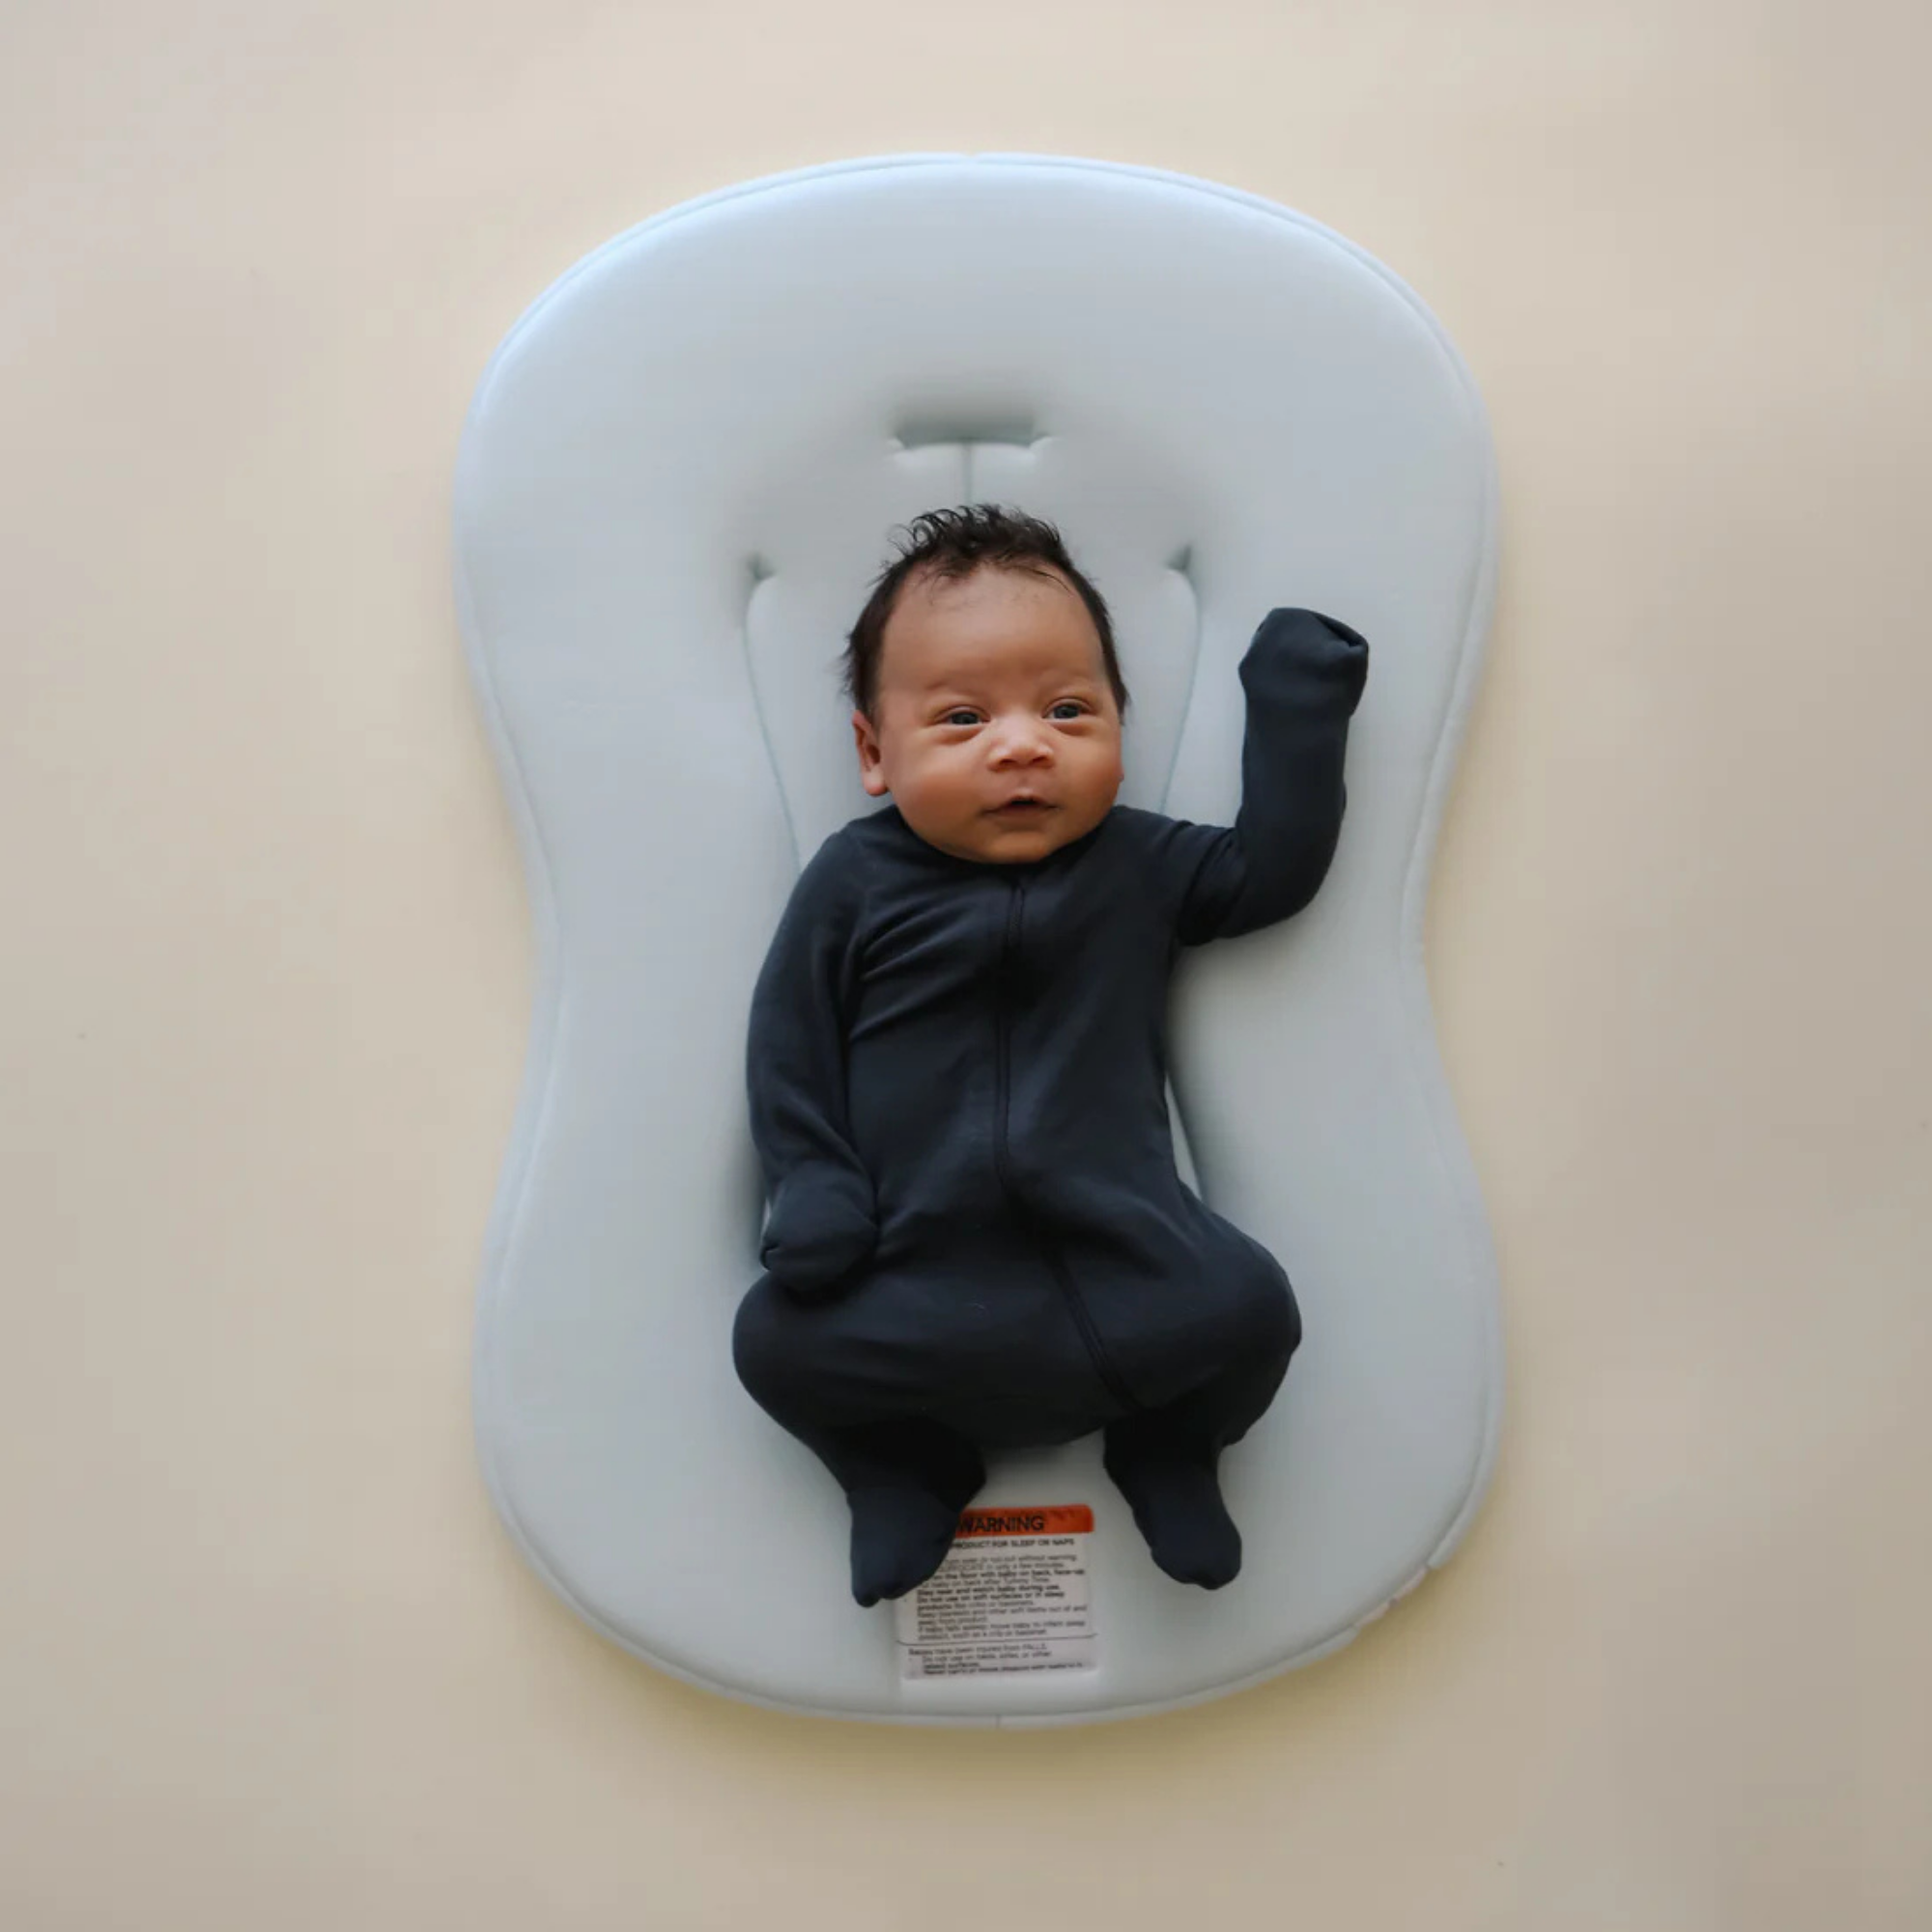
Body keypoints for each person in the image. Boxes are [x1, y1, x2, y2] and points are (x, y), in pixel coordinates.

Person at [732, 504, 1370, 1606]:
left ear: (1120, 725)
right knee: (773, 1345)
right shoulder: (853, 880)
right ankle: (904, 1468)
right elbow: (790, 1043)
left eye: (1068, 710)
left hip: (1120, 1264)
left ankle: (1169, 1446)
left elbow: (1268, 874)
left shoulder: (1137, 864)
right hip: (910, 1275)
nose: (1023, 744)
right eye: (964, 717)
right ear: (874, 753)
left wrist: (1297, 710)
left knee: (1251, 1311)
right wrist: (815, 1181)